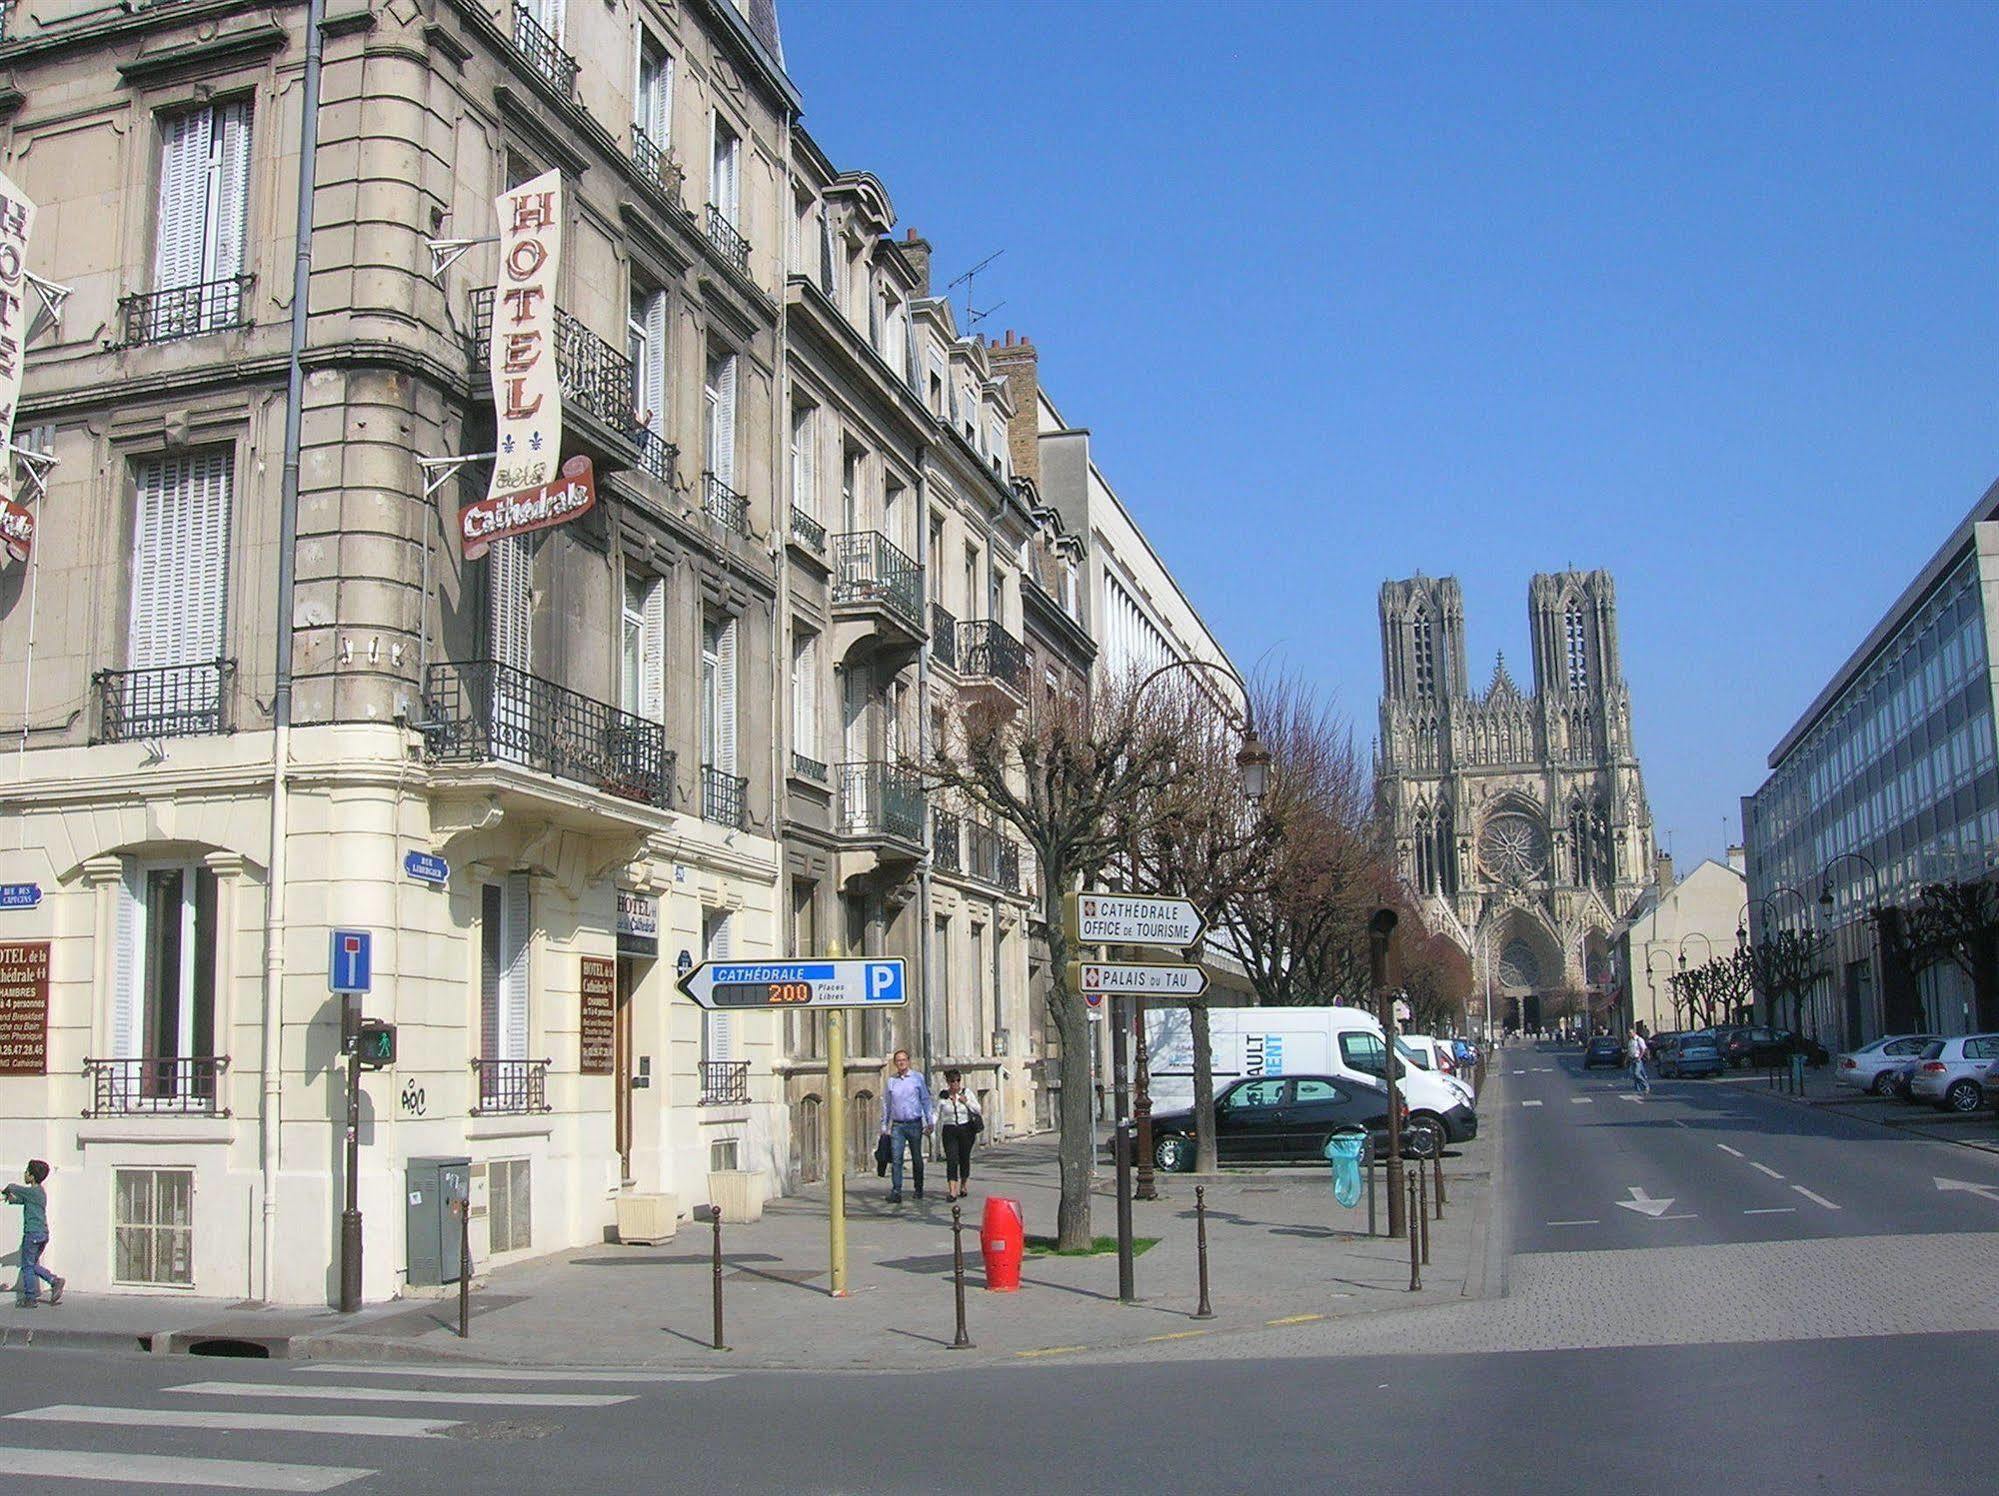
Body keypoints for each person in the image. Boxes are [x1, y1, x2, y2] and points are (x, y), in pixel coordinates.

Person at [878, 1049, 934, 1204]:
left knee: (917, 1157)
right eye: (898, 1060)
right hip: (897, 1125)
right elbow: (886, 1105)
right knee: (896, 1159)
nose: (901, 1063)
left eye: (903, 1060)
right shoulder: (891, 1081)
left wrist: (930, 1120)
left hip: (914, 1123)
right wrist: (884, 1125)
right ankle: (896, 1191)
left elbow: (925, 1100)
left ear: (908, 1061)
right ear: (895, 1063)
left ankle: (918, 1188)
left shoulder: (917, 1078)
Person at [3, 1160, 62, 1307]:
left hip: (32, 1233)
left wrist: (6, 1190)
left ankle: (30, 1298)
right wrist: (8, 1198)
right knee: (31, 1264)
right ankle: (54, 1281)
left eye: (27, 1171)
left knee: (27, 1266)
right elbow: (20, 1199)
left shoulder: (32, 1191)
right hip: (42, 1234)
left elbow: (13, 1187)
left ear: (32, 1176)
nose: (25, 1173)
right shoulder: (38, 1193)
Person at [936, 1070, 983, 1200]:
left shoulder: (966, 1093)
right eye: (952, 1081)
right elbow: (936, 1113)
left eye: (957, 1080)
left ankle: (963, 1185)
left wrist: (966, 1102)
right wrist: (930, 1125)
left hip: (966, 1129)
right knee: (951, 1160)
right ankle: (952, 1191)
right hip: (949, 1129)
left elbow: (978, 1109)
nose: (955, 1084)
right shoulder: (943, 1096)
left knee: (964, 1158)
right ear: (948, 1082)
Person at [1628, 1024, 1651, 1095]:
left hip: (1637, 1059)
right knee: (1633, 1074)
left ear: (1634, 1033)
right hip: (1632, 1059)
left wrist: (1639, 1057)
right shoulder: (1630, 1041)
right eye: (1629, 1033)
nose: (1629, 1034)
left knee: (1637, 1073)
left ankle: (1646, 1086)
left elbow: (1643, 1049)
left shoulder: (1639, 1039)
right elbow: (1630, 1050)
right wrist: (1626, 1059)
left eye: (1630, 1033)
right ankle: (1638, 1089)